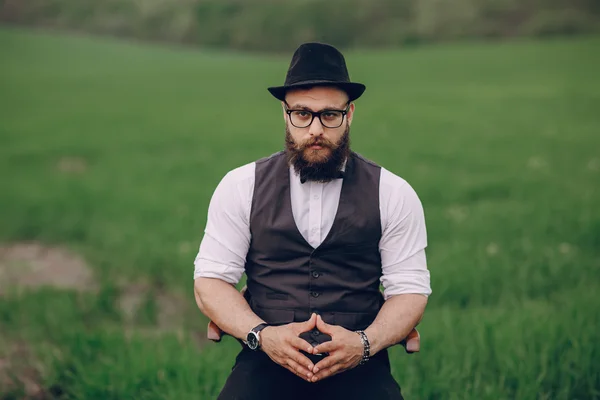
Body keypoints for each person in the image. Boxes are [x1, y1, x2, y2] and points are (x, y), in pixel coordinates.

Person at [193, 42, 432, 400]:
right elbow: (210, 281)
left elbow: (409, 290)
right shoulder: (240, 186)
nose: (315, 129)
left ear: (349, 114)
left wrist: (364, 344)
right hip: (266, 360)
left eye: (329, 115)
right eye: (302, 114)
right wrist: (263, 334)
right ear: (285, 114)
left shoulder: (393, 193)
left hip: (359, 362)